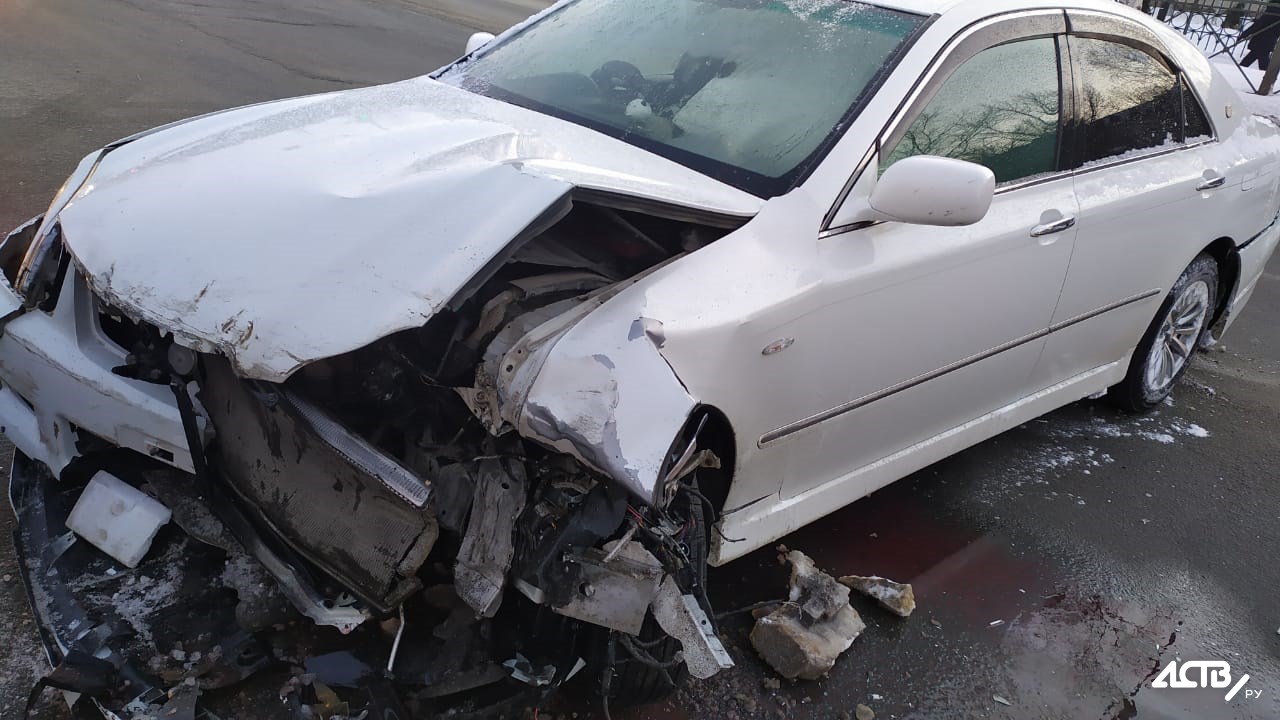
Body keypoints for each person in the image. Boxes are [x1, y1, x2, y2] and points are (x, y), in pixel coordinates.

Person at [1241, 1, 1280, 70]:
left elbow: (1258, 24)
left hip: (1261, 39)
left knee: (1259, 59)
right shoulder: (1274, 11)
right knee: (1255, 57)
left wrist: (1244, 34)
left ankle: (1267, 75)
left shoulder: (1272, 10)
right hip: (1269, 40)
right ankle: (1239, 69)